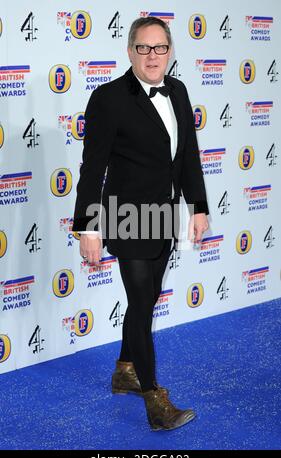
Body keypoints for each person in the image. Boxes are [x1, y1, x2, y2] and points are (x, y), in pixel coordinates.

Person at [72, 17, 209, 431]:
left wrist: (197, 206)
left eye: (160, 48)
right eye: (144, 48)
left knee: (147, 300)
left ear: (170, 51)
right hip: (126, 217)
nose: (153, 56)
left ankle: (124, 369)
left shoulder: (179, 91)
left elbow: (188, 155)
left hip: (163, 216)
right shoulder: (108, 98)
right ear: (130, 51)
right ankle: (154, 399)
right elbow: (92, 169)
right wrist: (88, 228)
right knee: (139, 303)